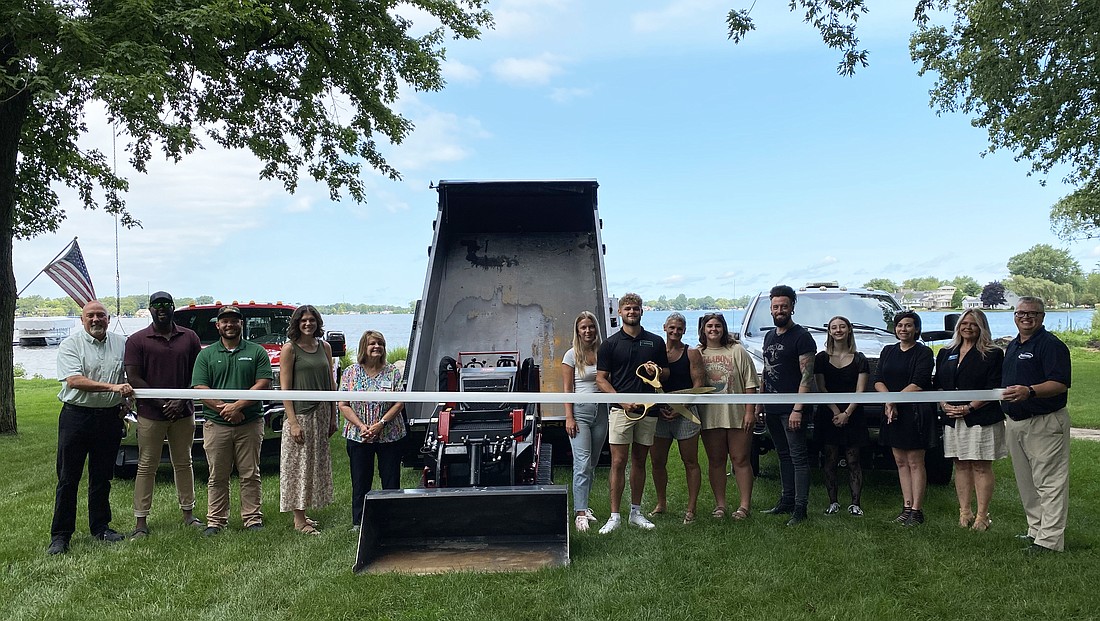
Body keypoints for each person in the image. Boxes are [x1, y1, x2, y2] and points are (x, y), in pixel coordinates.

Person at [47, 300, 134, 555]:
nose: (96, 320)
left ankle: (101, 527)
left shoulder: (121, 343)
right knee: (68, 478)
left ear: (109, 318)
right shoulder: (70, 345)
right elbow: (74, 381)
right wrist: (113, 389)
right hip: (76, 417)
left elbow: (127, 378)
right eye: (90, 316)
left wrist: (126, 401)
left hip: (109, 418)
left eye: (101, 315)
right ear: (82, 320)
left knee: (102, 476)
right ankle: (61, 536)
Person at [124, 291, 204, 538]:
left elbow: (198, 373)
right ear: (150, 309)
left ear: (173, 307)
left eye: (166, 304)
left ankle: (189, 513)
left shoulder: (189, 337)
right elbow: (134, 377)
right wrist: (161, 402)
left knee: (184, 462)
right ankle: (140, 521)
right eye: (156, 305)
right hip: (150, 414)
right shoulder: (137, 340)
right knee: (147, 465)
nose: (161, 308)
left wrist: (181, 400)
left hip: (183, 412)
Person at [192, 305, 273, 535]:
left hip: (250, 422)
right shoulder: (206, 354)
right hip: (216, 424)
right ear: (218, 325)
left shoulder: (257, 352)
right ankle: (215, 521)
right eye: (224, 321)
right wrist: (225, 410)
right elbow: (200, 387)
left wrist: (238, 405)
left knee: (250, 473)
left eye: (234, 321)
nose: (229, 325)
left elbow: (263, 382)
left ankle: (252, 519)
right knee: (217, 474)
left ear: (241, 324)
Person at [1001, 297, 1071, 553]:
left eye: (1032, 314)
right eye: (1021, 313)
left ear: (1042, 317)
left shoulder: (1051, 345)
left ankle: (1050, 541)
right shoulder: (1013, 346)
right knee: (1027, 482)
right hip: (1016, 422)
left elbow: (1060, 383)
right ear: (1015, 316)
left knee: (1049, 482)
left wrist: (1029, 391)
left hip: (1044, 422)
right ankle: (1036, 530)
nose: (1026, 318)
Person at [595, 294, 669, 534]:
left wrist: (656, 370)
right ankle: (614, 516)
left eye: (636, 308)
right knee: (617, 462)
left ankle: (635, 512)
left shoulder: (656, 342)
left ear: (641, 312)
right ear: (619, 312)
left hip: (648, 410)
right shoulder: (610, 344)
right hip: (620, 410)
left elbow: (665, 373)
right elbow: (601, 379)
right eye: (627, 308)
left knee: (640, 460)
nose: (632, 312)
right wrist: (621, 400)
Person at [934, 309, 1006, 532]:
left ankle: (983, 516)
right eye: (964, 323)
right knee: (960, 464)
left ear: (981, 327)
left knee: (980, 465)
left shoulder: (992, 353)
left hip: (980, 418)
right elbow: (939, 384)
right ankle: (965, 512)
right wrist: (944, 404)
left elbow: (993, 386)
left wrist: (969, 407)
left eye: (973, 324)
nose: (968, 327)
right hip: (952, 418)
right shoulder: (946, 352)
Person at [760, 285, 817, 526]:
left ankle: (800, 508)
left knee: (798, 457)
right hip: (772, 407)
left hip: (793, 410)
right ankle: (786, 500)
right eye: (775, 306)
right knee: (783, 454)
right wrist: (760, 403)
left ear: (792, 307)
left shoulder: (802, 337)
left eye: (784, 306)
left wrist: (798, 408)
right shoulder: (769, 336)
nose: (780, 310)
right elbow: (766, 371)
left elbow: (807, 376)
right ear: (771, 309)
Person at [338, 330, 406, 531]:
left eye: (380, 343)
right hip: (359, 435)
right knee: (360, 480)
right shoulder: (351, 372)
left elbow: (400, 402)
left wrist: (380, 424)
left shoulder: (393, 372)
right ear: (363, 348)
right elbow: (343, 404)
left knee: (391, 480)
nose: (376, 347)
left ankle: (392, 520)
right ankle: (360, 522)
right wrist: (362, 426)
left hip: (389, 433)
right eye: (372, 343)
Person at [279, 305, 337, 535]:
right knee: (297, 466)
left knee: (315, 463)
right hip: (300, 414)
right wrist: (293, 422)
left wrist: (333, 415)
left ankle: (305, 513)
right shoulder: (289, 349)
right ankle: (298, 520)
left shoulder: (325, 347)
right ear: (296, 323)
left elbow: (331, 383)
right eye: (303, 320)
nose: (308, 324)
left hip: (322, 413)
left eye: (312, 320)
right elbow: (285, 388)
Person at [875, 310, 935, 526]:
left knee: (915, 461)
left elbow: (919, 383)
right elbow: (878, 379)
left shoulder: (923, 353)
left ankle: (917, 511)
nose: (904, 329)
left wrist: (894, 401)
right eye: (900, 325)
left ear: (916, 329)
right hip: (892, 412)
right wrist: (889, 402)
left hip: (915, 413)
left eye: (908, 325)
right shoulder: (888, 351)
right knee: (900, 461)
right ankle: (906, 507)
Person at [698, 312, 759, 521]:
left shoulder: (737, 350)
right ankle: (720, 505)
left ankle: (744, 506)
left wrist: (750, 411)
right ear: (703, 330)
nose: (713, 330)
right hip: (710, 416)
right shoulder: (697, 353)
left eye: (717, 326)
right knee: (716, 461)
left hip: (737, 413)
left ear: (723, 328)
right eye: (709, 326)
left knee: (740, 459)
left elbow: (751, 383)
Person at [648, 313, 704, 524]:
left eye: (679, 328)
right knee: (657, 462)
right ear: (664, 327)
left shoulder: (691, 353)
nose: (675, 332)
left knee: (690, 461)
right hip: (660, 414)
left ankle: (691, 509)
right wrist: (658, 407)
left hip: (685, 415)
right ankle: (661, 503)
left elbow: (699, 385)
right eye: (671, 328)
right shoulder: (655, 352)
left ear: (684, 330)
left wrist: (682, 408)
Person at [814, 316, 870, 517]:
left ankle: (855, 503)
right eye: (834, 327)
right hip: (829, 414)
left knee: (853, 460)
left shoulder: (859, 358)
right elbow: (821, 387)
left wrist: (847, 413)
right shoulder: (821, 358)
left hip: (853, 415)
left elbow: (860, 390)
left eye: (842, 327)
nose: (838, 330)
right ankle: (833, 502)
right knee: (829, 460)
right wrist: (836, 412)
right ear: (829, 331)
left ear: (849, 330)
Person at [563, 311, 608, 533]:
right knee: (581, 463)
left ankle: (585, 506)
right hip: (580, 412)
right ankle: (579, 513)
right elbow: (567, 389)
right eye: (583, 327)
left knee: (592, 463)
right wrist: (569, 417)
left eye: (591, 326)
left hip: (601, 413)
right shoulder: (571, 355)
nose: (588, 331)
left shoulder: (604, 352)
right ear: (578, 331)